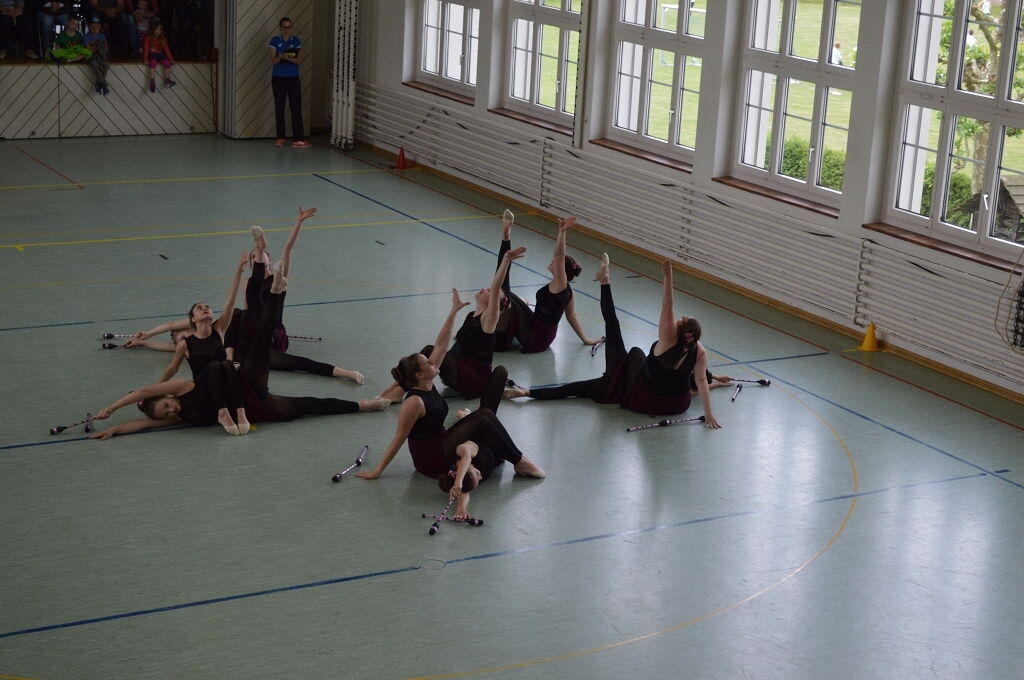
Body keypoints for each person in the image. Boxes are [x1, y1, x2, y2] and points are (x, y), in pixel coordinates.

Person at [89, 262, 388, 440]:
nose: (171, 410)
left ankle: (276, 292)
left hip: (241, 381)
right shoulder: (179, 415)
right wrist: (114, 430)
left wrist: (111, 409)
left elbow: (143, 391)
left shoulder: (182, 386)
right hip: (252, 403)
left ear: (166, 396)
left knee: (255, 347)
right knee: (308, 406)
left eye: (166, 405)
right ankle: (363, 405)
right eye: (166, 413)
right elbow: (143, 423)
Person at [356, 288, 544, 493]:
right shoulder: (414, 401)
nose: (433, 362)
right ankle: (519, 461)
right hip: (431, 457)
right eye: (427, 363)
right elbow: (399, 438)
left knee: (489, 440)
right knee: (484, 418)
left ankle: (515, 460)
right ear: (419, 374)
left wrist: (454, 311)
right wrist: (377, 470)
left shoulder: (427, 382)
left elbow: (441, 345)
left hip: (443, 441)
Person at [506, 256, 722, 427]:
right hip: (677, 405)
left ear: (679, 330)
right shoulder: (699, 349)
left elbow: (668, 305)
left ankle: (605, 281)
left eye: (681, 320)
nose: (677, 318)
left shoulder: (668, 337)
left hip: (645, 399)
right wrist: (709, 411)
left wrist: (668, 278)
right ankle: (527, 392)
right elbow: (701, 380)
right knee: (650, 365)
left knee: (621, 343)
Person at [494, 211, 600, 353]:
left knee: (502, 294)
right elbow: (571, 316)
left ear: (562, 271)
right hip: (539, 329)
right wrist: (586, 339)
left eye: (556, 262)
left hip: (537, 336)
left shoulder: (560, 285)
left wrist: (562, 232)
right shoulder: (567, 290)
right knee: (510, 297)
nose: (552, 261)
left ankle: (506, 239)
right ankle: (506, 238)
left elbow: (559, 255)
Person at [157, 251, 247, 382]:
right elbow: (172, 368)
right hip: (201, 387)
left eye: (207, 307)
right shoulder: (185, 344)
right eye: (199, 308)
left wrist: (239, 271)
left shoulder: (219, 329)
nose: (205, 308)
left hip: (223, 383)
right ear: (193, 319)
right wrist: (159, 386)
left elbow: (230, 301)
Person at [269, 16, 309, 148]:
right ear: (280, 28)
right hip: (278, 78)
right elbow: (273, 60)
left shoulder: (296, 41)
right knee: (279, 107)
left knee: (296, 107)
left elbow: (298, 60)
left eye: (289, 27)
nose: (287, 30)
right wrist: (280, 57)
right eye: (284, 27)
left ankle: (298, 139)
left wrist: (287, 57)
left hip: (293, 78)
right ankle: (280, 138)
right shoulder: (275, 41)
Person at [142, 21, 174, 91]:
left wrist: (171, 59)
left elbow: (166, 49)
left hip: (160, 54)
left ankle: (167, 81)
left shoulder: (162, 38)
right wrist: (145, 60)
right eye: (156, 29)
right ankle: (152, 82)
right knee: (153, 63)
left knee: (167, 63)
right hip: (152, 54)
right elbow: (146, 49)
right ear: (152, 29)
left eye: (160, 29)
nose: (158, 31)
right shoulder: (148, 37)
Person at [83, 17, 110, 95]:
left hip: (101, 55)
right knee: (94, 64)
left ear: (100, 28)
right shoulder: (87, 37)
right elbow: (89, 50)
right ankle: (103, 84)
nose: (95, 29)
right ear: (89, 27)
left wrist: (96, 48)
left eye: (97, 27)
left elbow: (106, 48)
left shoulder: (102, 36)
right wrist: (97, 47)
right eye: (93, 27)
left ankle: (99, 84)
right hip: (92, 56)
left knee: (106, 65)